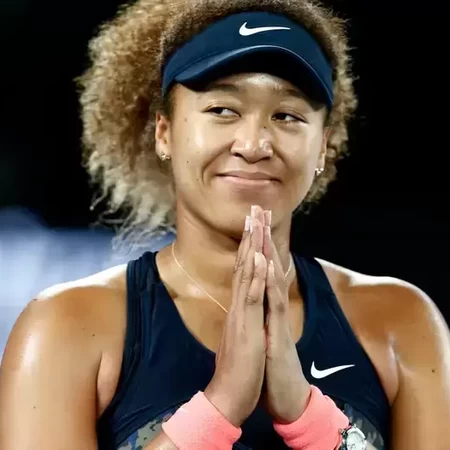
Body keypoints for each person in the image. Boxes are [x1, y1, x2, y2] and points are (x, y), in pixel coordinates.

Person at [1, 0, 449, 448]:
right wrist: (219, 408)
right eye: (222, 110)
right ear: (164, 132)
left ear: (323, 147)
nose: (253, 145)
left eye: (287, 116)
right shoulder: (65, 327)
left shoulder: (400, 321)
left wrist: (306, 415)